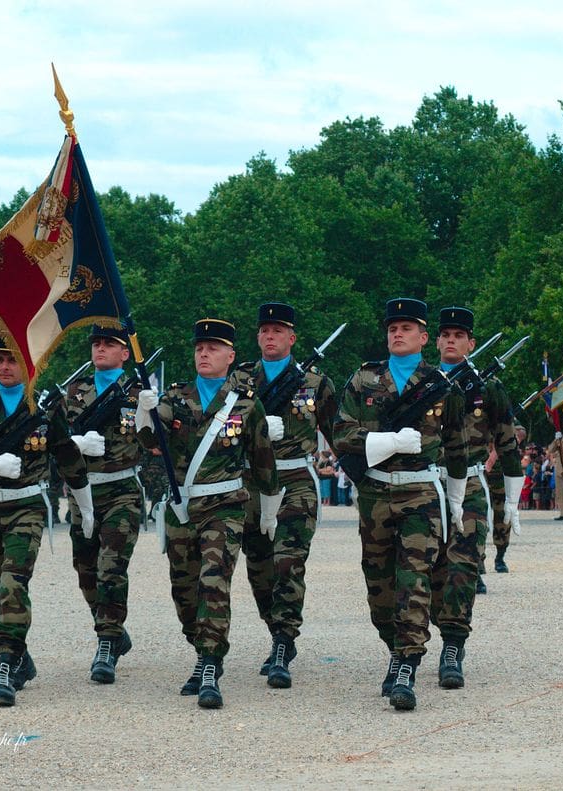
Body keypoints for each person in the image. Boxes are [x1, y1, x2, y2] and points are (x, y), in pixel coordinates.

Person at [0, 333, 93, 707]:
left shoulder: (44, 407)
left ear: (28, 364)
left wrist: (85, 503)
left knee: (13, 582)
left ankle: (6, 662)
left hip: (26, 507)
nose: (5, 367)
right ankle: (21, 656)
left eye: (13, 360)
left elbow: (66, 453)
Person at [136, 318, 279, 710]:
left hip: (226, 506)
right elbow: (149, 441)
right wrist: (143, 413)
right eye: (200, 347)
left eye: (214, 348)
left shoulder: (246, 403)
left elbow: (263, 459)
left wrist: (268, 510)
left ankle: (211, 664)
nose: (204, 353)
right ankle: (200, 648)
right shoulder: (174, 398)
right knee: (185, 591)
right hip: (182, 508)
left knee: (213, 582)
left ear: (231, 357)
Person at [332, 297, 468, 712]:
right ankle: (394, 648)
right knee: (380, 587)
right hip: (374, 494)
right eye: (392, 327)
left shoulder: (444, 385)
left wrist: (457, 499)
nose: (397, 332)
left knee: (415, 579)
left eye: (407, 327)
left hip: (421, 494)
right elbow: (341, 433)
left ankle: (408, 665)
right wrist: (384, 441)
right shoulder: (364, 378)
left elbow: (458, 447)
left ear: (424, 338)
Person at [235, 302, 338, 690]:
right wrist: (255, 431)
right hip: (251, 485)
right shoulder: (241, 379)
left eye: (278, 331)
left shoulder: (314, 382)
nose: (270, 337)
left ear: (291, 338)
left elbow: (337, 431)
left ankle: (283, 643)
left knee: (287, 563)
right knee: (259, 568)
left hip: (295, 480)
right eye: (264, 331)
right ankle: (274, 627)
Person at [428, 306, 521, 689]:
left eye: (458, 335)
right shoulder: (421, 381)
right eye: (445, 334)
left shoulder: (488, 389)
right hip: (426, 485)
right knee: (424, 570)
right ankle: (412, 642)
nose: (451, 340)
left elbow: (508, 442)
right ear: (435, 342)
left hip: (468, 485)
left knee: (463, 568)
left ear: (471, 343)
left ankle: (453, 646)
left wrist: (512, 498)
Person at [62, 325, 143, 685]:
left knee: (112, 567)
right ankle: (109, 624)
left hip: (122, 489)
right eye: (96, 344)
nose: (101, 349)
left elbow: (158, 442)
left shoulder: (139, 393)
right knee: (86, 570)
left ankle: (107, 643)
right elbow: (53, 439)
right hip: (82, 492)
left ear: (125, 353)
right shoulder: (74, 392)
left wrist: (151, 415)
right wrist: (75, 444)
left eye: (109, 344)